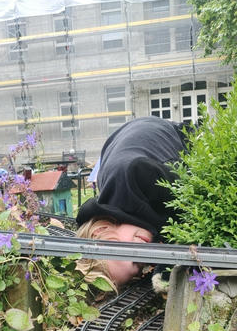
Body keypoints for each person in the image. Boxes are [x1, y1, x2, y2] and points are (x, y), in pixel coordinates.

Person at [76, 116, 189, 288]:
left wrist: (166, 266)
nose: (144, 257)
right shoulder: (123, 217)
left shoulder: (138, 175)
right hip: (121, 140)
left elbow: (194, 202)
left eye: (133, 255)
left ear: (101, 231)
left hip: (171, 136)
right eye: (140, 266)